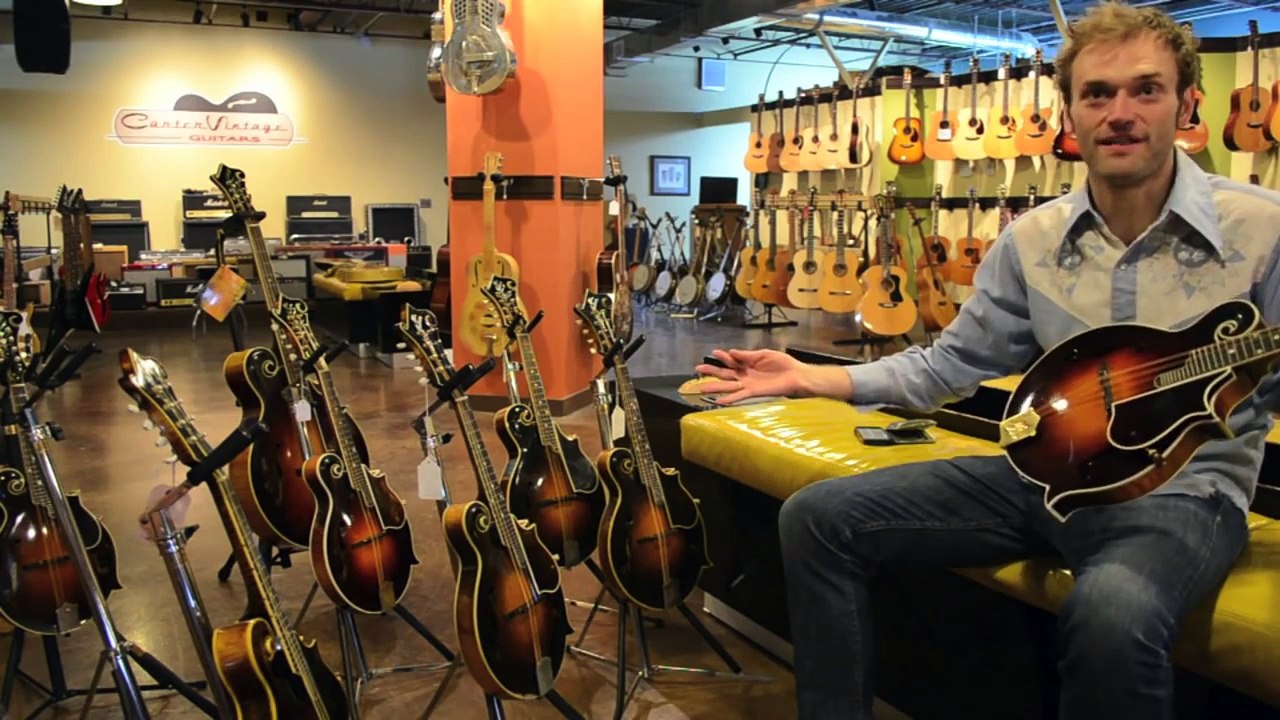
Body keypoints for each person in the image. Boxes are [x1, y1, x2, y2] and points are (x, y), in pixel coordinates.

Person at [694, 3, 1280, 718]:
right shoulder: (1030, 239)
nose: (1120, 112)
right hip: (1038, 475)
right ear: (1070, 109)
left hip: (1180, 500)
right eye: (1098, 93)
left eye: (1145, 90)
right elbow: (947, 366)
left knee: (1112, 613)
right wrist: (810, 377)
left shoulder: (1262, 229)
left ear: (1187, 102)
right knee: (817, 518)